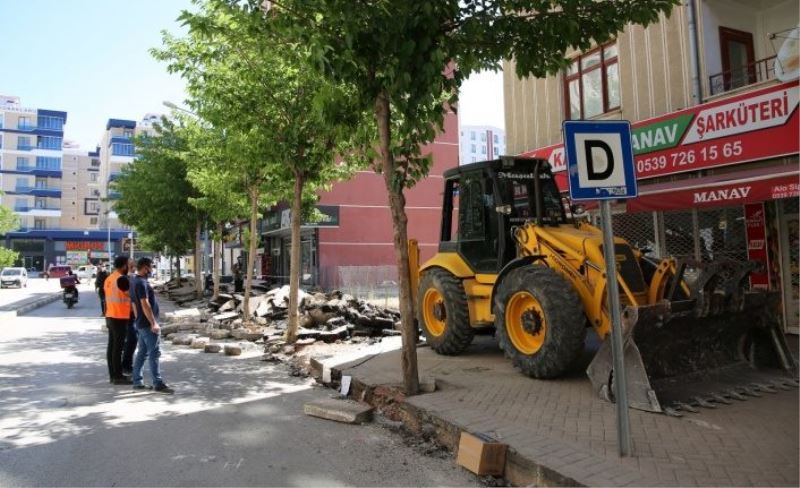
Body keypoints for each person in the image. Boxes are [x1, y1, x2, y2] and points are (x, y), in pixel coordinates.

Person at [131, 257, 174, 394]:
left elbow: (134, 304)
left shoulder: (134, 281)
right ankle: (158, 383)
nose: (152, 269)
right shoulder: (141, 282)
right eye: (151, 267)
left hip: (141, 323)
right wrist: (153, 323)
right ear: (145, 267)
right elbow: (145, 303)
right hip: (147, 324)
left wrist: (138, 319)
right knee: (154, 353)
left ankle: (137, 381)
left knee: (142, 353)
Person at [105, 256, 133, 385]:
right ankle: (118, 377)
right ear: (123, 266)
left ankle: (114, 375)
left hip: (110, 315)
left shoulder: (110, 278)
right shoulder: (121, 279)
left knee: (112, 347)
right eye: (129, 265)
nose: (130, 267)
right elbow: (131, 295)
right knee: (118, 348)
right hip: (119, 317)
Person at [121, 258, 138, 375]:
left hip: (131, 314)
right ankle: (125, 365)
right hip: (122, 314)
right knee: (131, 339)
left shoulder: (132, 279)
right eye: (130, 266)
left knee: (131, 340)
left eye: (134, 266)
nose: (133, 268)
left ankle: (127, 364)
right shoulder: (121, 279)